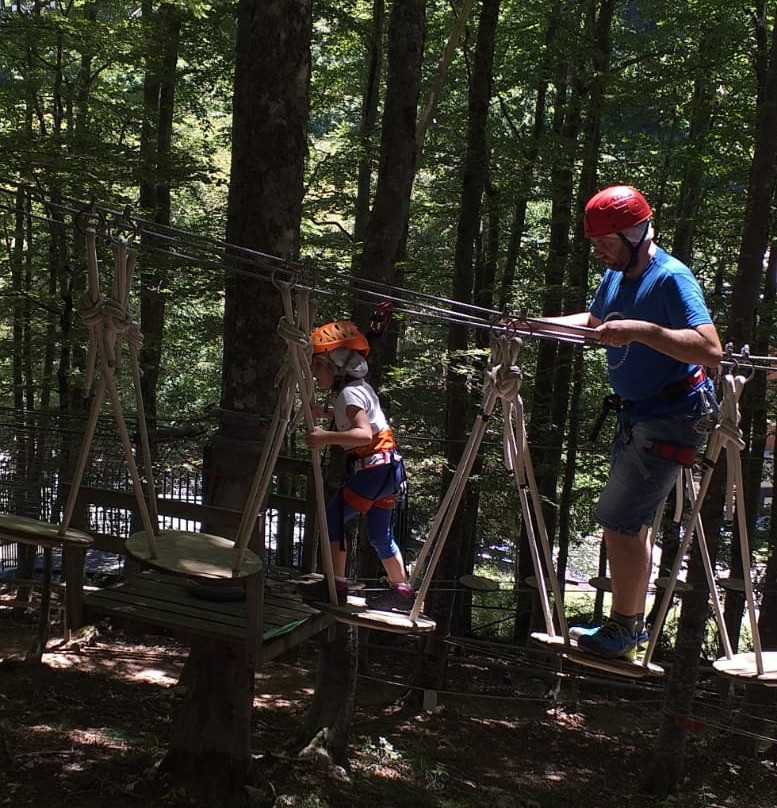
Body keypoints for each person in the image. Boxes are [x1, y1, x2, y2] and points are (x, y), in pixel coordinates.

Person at [545, 185, 722, 659]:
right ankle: (629, 623)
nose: (600, 252)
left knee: (619, 522)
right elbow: (596, 320)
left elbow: (710, 349)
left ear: (636, 233)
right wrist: (537, 326)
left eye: (606, 243)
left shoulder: (671, 278)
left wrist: (642, 332)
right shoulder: (618, 274)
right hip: (639, 413)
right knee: (631, 524)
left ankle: (626, 628)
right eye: (596, 244)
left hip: (673, 416)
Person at [297, 320, 414, 611]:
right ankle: (401, 590)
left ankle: (335, 583)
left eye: (318, 367)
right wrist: (324, 412)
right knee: (378, 533)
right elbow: (360, 418)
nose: (314, 373)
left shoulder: (349, 393)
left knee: (333, 516)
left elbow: (363, 433)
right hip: (389, 470)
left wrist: (325, 438)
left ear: (335, 368)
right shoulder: (356, 389)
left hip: (374, 469)